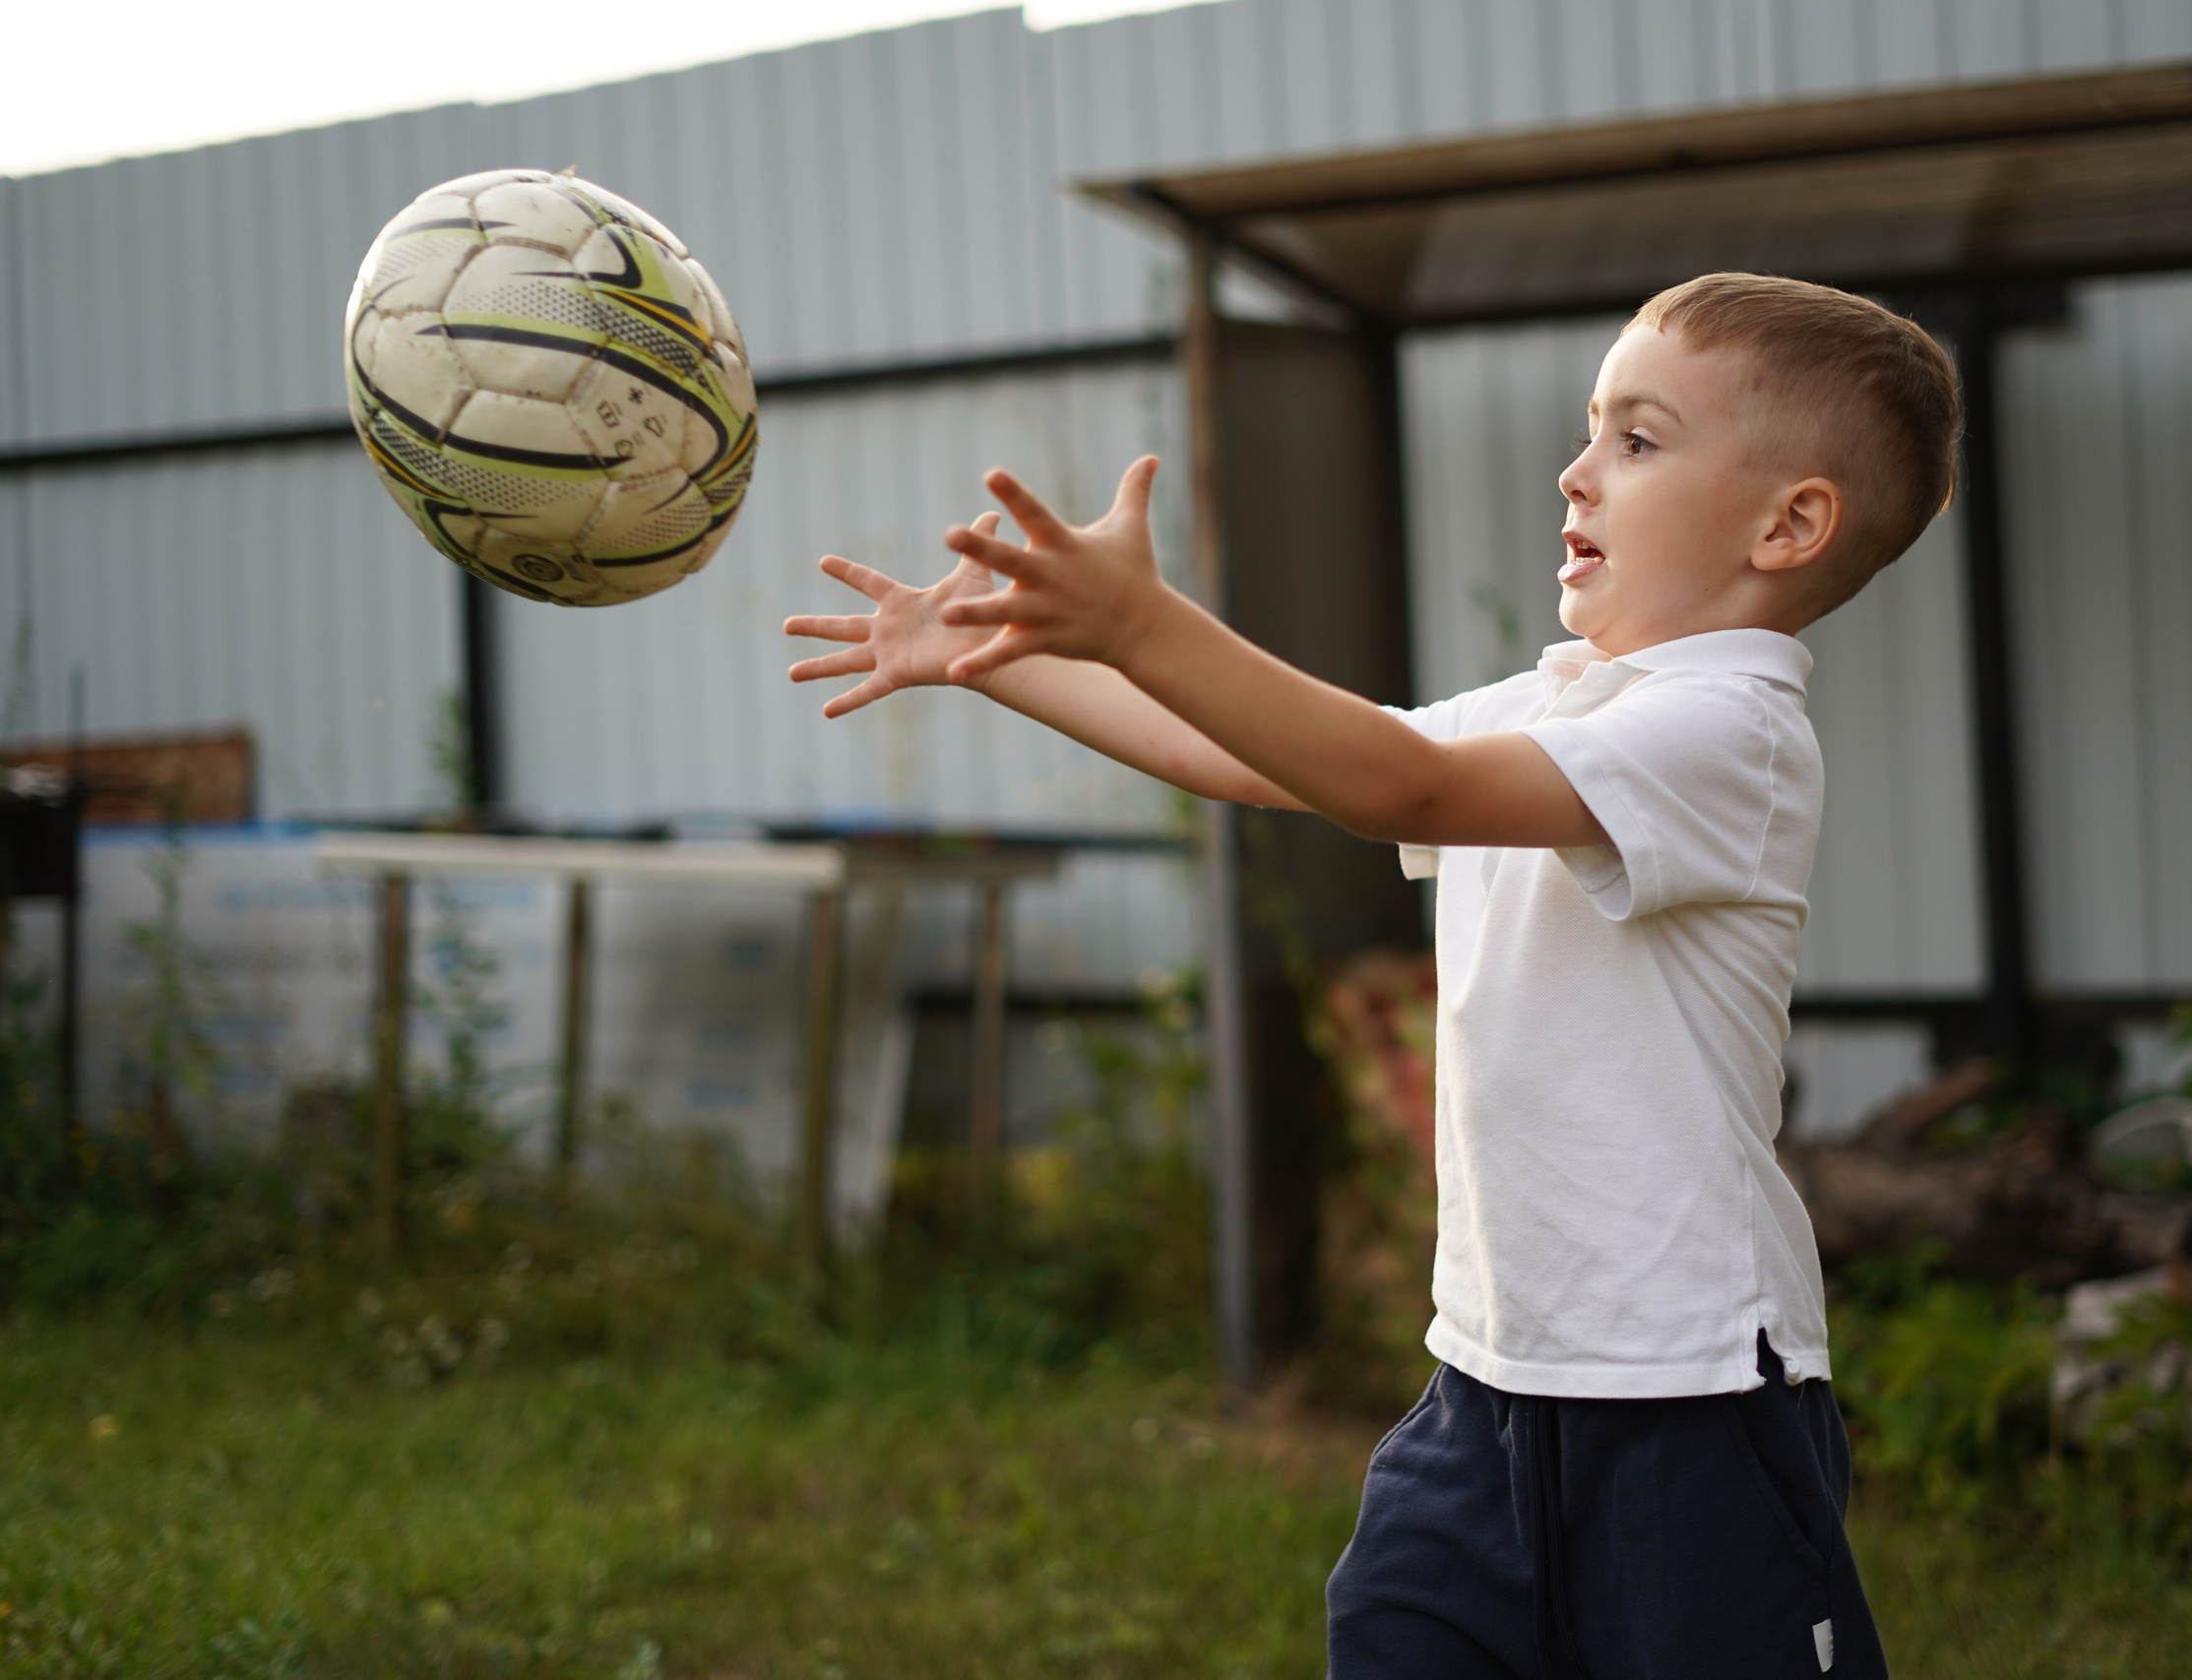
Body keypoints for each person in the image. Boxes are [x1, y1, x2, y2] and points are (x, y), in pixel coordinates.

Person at [783, 272, 1960, 1678]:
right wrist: (996, 658)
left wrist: (1144, 622)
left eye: (1639, 441)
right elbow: (1268, 758)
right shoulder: (1562, 709)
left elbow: (1387, 777)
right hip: (1486, 1383)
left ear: (1791, 522)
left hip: (1691, 1399)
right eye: (1593, 431)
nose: (1578, 472)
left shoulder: (1735, 732)